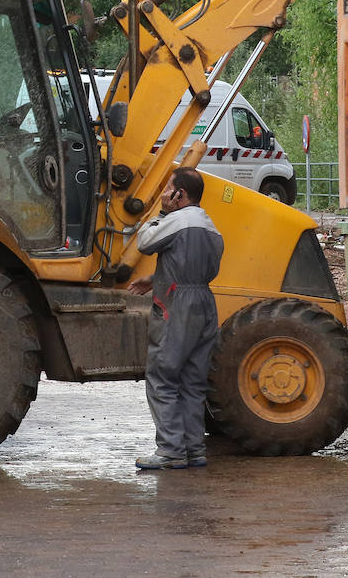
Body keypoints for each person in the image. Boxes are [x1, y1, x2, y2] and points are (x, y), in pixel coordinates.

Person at [127, 167, 224, 470]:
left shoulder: (176, 220)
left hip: (177, 305)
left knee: (163, 377)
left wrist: (161, 212)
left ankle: (170, 451)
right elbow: (189, 264)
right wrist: (155, 278)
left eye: (169, 188)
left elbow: (144, 241)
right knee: (193, 381)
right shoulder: (210, 226)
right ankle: (194, 450)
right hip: (205, 302)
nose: (165, 193)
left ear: (180, 194)